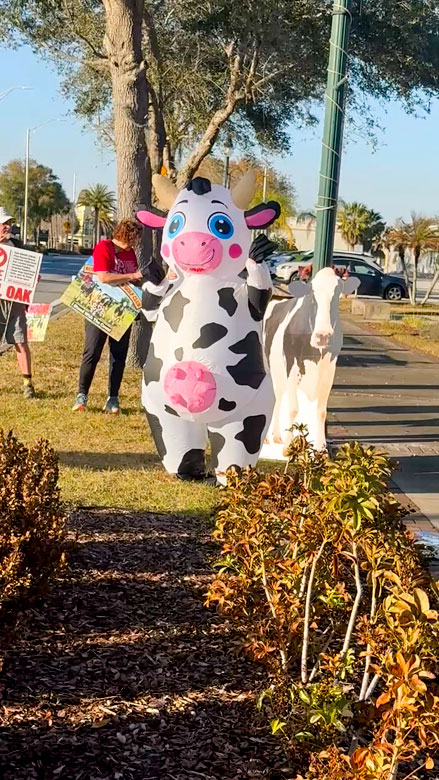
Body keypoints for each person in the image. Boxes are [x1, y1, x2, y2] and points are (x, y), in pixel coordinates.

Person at [73, 218, 144, 414]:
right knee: (92, 351)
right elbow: (103, 277)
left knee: (118, 354)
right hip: (99, 307)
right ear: (127, 236)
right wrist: (132, 276)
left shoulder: (130, 253)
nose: (136, 243)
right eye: (135, 238)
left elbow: (132, 278)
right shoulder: (104, 247)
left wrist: (138, 281)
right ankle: (82, 395)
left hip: (122, 309)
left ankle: (113, 398)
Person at [0, 207, 36, 399]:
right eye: (4, 223)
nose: (7, 226)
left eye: (9, 223)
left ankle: (27, 384)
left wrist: (33, 278)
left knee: (20, 340)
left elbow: (29, 272)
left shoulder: (17, 245)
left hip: (15, 302)